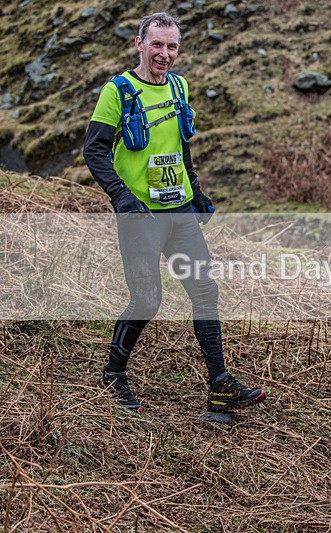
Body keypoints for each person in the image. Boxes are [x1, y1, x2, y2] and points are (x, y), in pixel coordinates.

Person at [83, 12, 265, 414]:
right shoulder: (119, 90)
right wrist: (121, 196)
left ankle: (219, 383)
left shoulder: (179, 86)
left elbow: (181, 146)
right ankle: (113, 374)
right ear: (139, 44)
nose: (164, 54)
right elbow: (94, 150)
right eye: (157, 45)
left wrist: (196, 192)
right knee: (147, 299)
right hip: (140, 216)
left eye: (172, 46)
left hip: (179, 212)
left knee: (205, 292)